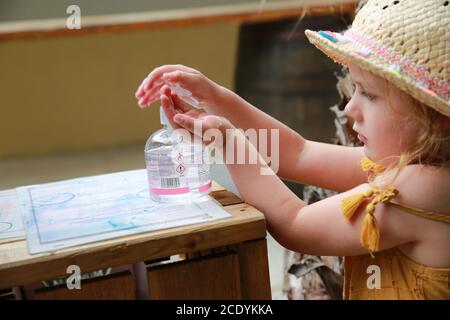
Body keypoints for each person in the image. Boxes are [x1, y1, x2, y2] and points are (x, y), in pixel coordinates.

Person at [135, 0, 449, 299]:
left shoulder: (424, 188)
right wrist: (216, 98)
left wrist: (229, 142)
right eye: (354, 89)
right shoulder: (410, 164)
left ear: (435, 118)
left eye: (369, 94)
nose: (351, 107)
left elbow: (295, 224)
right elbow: (298, 155)